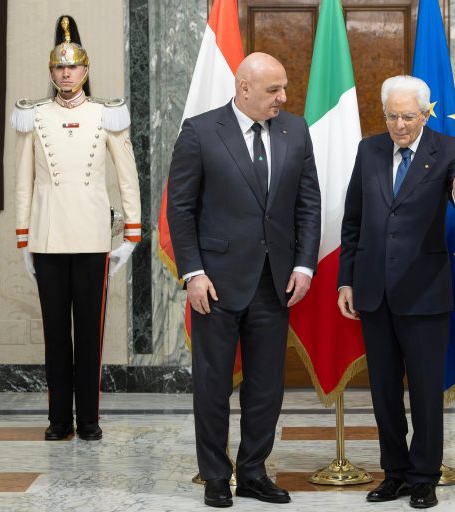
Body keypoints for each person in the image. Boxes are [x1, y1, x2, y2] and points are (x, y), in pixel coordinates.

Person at [166, 52, 321, 508]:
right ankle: (216, 476)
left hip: (275, 283)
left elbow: (308, 204)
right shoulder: (200, 131)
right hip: (214, 283)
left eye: (284, 87)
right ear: (244, 88)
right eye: (274, 89)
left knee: (266, 387)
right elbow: (181, 208)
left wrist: (304, 265)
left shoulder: (296, 130)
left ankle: (253, 472)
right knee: (213, 385)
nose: (283, 97)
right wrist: (193, 272)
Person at [337, 75, 455, 509]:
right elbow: (353, 220)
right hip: (373, 291)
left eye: (407, 116)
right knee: (383, 393)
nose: (399, 125)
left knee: (424, 393)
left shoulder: (448, 149)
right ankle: (395, 474)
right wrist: (346, 280)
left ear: (424, 114)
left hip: (424, 293)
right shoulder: (369, 150)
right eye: (391, 116)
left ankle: (423, 477)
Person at [12, 15, 141, 441]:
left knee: (89, 334)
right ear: (51, 72)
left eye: (73, 66)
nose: (66, 74)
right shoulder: (34, 116)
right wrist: (24, 240)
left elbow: (127, 177)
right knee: (55, 335)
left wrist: (131, 236)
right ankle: (58, 421)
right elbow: (23, 182)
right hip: (47, 237)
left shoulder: (107, 114)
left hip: (92, 238)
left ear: (85, 69)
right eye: (59, 67)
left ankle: (88, 419)